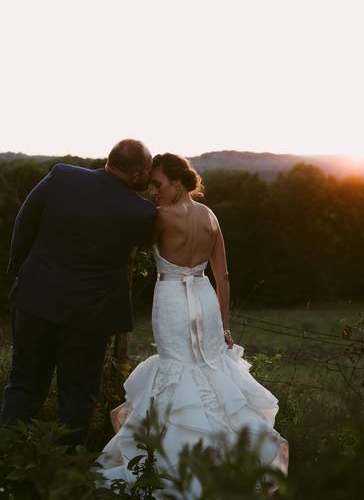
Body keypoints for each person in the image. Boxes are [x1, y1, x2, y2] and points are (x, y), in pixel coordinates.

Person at [98, 153, 289, 488]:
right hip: (204, 297)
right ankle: (228, 455)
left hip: (171, 298)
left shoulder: (160, 218)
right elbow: (223, 277)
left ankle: (172, 459)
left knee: (176, 369)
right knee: (207, 368)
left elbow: (132, 242)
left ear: (176, 181)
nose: (153, 191)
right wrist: (224, 324)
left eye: (157, 184)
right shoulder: (210, 216)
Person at [0, 139, 157, 446]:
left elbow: (24, 222)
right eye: (148, 171)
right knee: (78, 393)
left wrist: (21, 272)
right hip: (88, 314)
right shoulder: (141, 212)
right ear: (137, 173)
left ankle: (4, 456)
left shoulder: (62, 176)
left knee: (24, 384)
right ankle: (65, 466)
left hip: (36, 299)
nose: (150, 177)